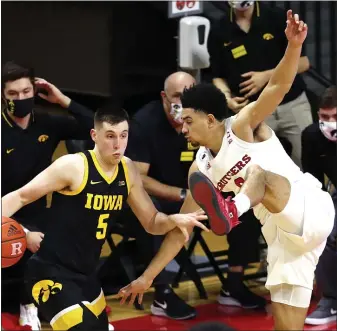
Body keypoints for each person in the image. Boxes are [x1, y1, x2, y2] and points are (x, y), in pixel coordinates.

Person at [117, 11, 335, 331]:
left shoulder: (244, 124)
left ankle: (232, 209)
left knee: (258, 175)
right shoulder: (201, 170)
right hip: (284, 241)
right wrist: (146, 278)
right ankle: (232, 210)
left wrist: (293, 46)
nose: (183, 126)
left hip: (308, 207)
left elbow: (279, 83)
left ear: (209, 119)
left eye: (189, 120)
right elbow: (182, 230)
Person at [1, 104, 207, 330]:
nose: (118, 144)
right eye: (110, 136)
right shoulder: (73, 166)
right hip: (51, 271)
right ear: (94, 135)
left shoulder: (127, 170)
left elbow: (151, 222)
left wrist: (172, 220)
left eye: (123, 135)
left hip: (87, 275)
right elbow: (20, 197)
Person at [126, 71, 264, 312]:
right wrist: (182, 195)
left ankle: (233, 283)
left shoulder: (210, 122)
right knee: (156, 214)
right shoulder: (144, 123)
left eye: (188, 95)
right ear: (163, 97)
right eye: (177, 96)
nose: (183, 103)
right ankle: (163, 293)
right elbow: (138, 179)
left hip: (205, 195)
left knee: (245, 208)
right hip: (165, 198)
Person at [1, 61, 95, 329]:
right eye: (13, 94)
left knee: (74, 237)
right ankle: (27, 304)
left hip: (41, 212)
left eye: (26, 91)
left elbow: (96, 127)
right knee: (20, 243)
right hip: (3, 213)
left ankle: (66, 304)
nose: (21, 99)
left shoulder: (48, 123)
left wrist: (62, 99)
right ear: (2, 97)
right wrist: (20, 231)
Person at [208, 1, 312, 167]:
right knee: (260, 168)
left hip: (292, 104)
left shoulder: (276, 17)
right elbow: (216, 76)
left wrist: (266, 76)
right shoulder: (219, 29)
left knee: (305, 162)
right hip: (254, 111)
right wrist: (227, 97)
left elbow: (304, 63)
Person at [301, 86, 337, 325]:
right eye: (324, 117)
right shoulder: (311, 136)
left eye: (335, 117)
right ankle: (331, 299)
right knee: (321, 228)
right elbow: (313, 182)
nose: (330, 123)